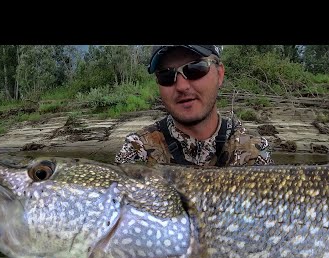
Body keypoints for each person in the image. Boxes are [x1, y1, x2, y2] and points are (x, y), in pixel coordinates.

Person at [115, 45, 273, 167]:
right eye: (166, 75)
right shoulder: (138, 149)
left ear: (220, 74)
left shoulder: (255, 150)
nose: (181, 86)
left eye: (195, 68)